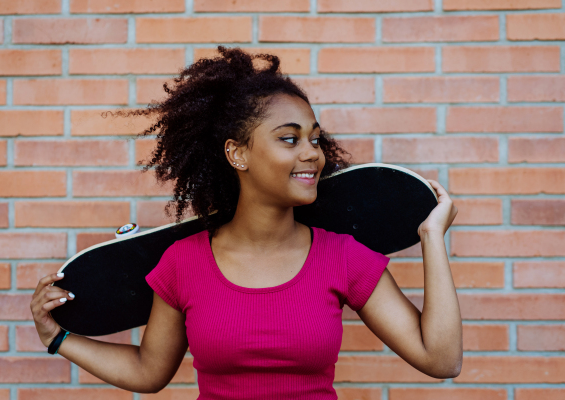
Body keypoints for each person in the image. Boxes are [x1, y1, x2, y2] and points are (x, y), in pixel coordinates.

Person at [30, 46, 462, 398]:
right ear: (237, 154)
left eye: (315, 138)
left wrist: (431, 237)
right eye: (289, 139)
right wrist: (56, 337)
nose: (312, 152)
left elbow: (441, 360)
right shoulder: (183, 262)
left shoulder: (343, 256)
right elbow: (148, 372)